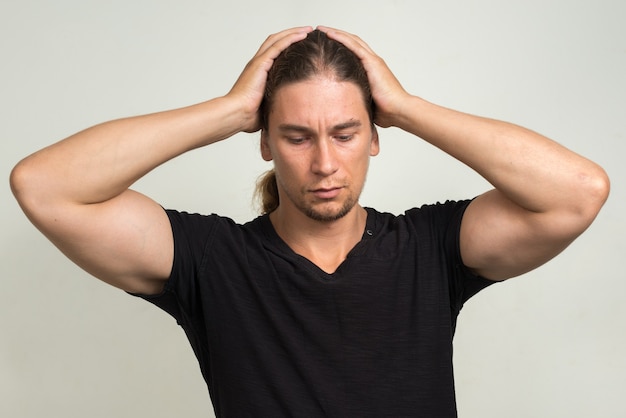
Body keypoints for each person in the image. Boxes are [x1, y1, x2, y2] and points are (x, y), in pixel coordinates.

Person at [10, 26, 609, 417]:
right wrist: (226, 111)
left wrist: (405, 107)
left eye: (345, 134)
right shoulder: (212, 261)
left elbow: (578, 192)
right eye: (297, 137)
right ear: (265, 141)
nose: (324, 163)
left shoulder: (431, 249)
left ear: (374, 138)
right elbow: (43, 185)